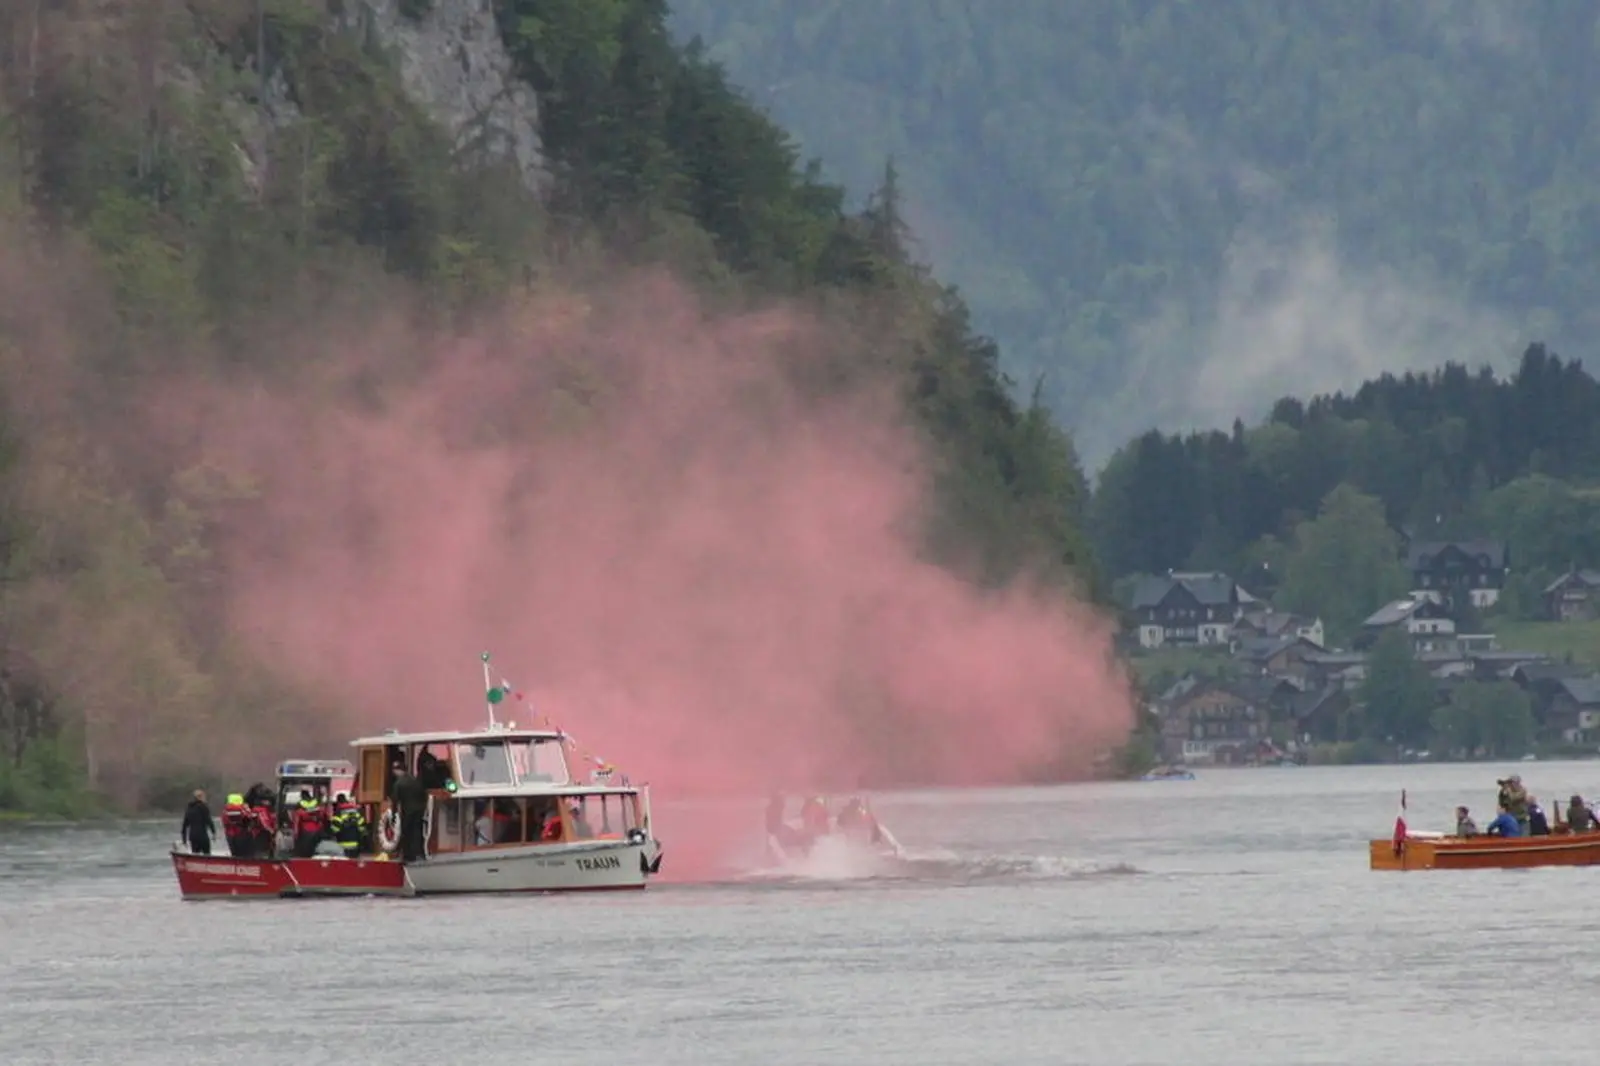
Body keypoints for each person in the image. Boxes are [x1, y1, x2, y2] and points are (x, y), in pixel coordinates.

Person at [391, 761, 428, 862]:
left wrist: (394, 814)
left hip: (407, 811)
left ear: (397, 771)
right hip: (419, 810)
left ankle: (408, 856)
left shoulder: (398, 783)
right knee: (417, 832)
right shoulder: (415, 780)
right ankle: (420, 853)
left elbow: (395, 800)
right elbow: (423, 795)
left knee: (406, 833)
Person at [291, 789, 327, 859]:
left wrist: (295, 833)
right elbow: (322, 815)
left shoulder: (300, 805)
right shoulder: (316, 802)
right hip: (317, 828)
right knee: (315, 847)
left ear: (302, 796)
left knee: (305, 848)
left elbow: (296, 819)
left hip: (305, 829)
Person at [181, 789, 217, 855]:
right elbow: (208, 821)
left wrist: (184, 840)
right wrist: (214, 833)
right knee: (207, 855)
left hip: (193, 837)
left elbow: (184, 826)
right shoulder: (203, 807)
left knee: (195, 855)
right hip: (202, 836)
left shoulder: (189, 808)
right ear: (200, 797)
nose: (205, 798)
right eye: (204, 796)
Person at [330, 793, 366, 859]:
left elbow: (335, 829)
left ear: (338, 802)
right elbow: (362, 827)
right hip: (355, 845)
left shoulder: (339, 812)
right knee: (353, 865)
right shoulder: (356, 811)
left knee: (344, 866)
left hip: (343, 846)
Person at [221, 792, 254, 857]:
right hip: (242, 834)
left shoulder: (225, 810)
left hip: (230, 835)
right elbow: (250, 818)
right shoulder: (243, 809)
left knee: (234, 854)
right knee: (245, 855)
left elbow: (224, 822)